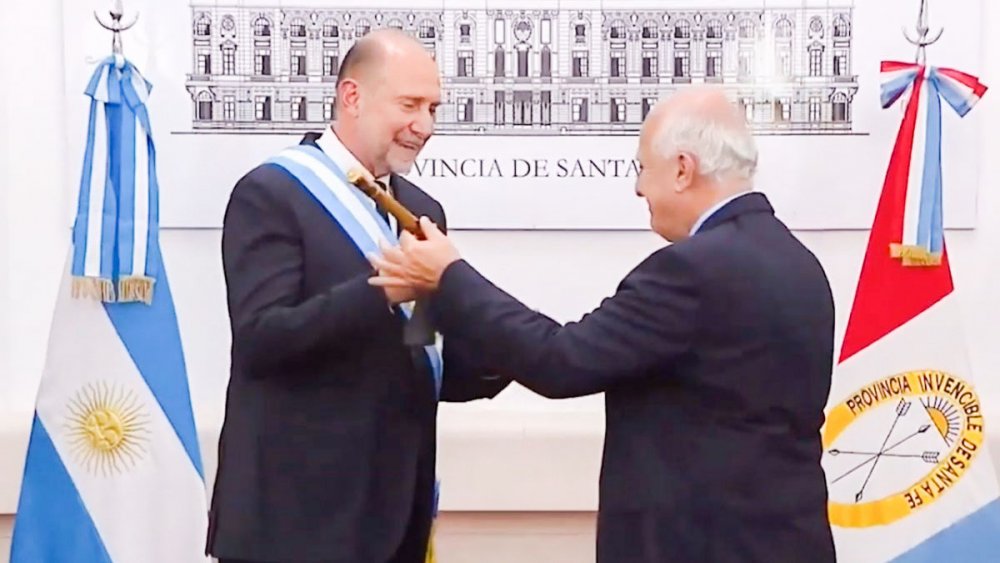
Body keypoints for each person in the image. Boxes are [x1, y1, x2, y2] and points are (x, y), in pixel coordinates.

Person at [370, 87, 837, 563]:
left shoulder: (693, 270)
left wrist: (448, 278)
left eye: (643, 167)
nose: (638, 188)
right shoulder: (798, 262)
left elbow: (562, 361)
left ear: (682, 169)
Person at [207, 29, 510, 563]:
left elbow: (418, 354)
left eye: (433, 108)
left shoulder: (423, 211)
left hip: (396, 518)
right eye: (409, 105)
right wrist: (381, 292)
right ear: (352, 97)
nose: (425, 126)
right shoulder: (272, 193)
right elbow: (261, 340)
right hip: (293, 524)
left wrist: (502, 351)